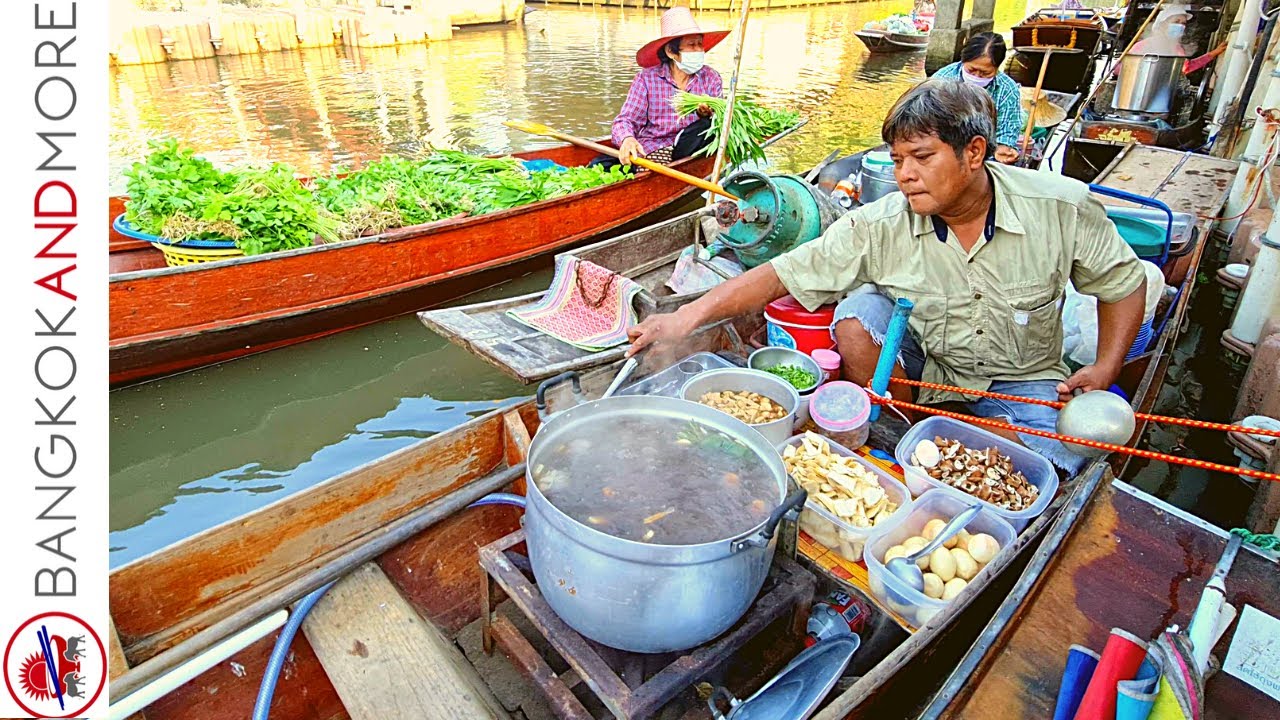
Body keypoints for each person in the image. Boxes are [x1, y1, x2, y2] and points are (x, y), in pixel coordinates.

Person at [628, 80, 1147, 474]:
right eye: (897, 160)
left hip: (1024, 382)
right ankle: (902, 420)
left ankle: (954, 436)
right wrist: (681, 318)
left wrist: (1104, 368)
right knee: (857, 315)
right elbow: (782, 272)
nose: (904, 174)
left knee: (1058, 466)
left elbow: (1123, 285)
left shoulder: (1059, 207)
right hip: (931, 371)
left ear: (974, 153)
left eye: (921, 158)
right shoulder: (881, 222)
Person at [601, 6, 728, 171]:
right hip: (651, 148)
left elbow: (722, 121)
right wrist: (627, 139)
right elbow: (625, 120)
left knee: (705, 126)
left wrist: (709, 114)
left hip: (689, 145)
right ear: (671, 52)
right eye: (691, 45)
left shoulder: (710, 78)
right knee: (600, 163)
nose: (698, 50)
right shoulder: (646, 79)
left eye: (699, 44)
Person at [932, 33, 1026, 165]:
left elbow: (1007, 131)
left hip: (985, 155)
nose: (977, 76)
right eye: (972, 70)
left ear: (997, 69)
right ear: (963, 61)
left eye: (985, 73)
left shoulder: (1007, 89)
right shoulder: (940, 81)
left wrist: (1003, 148)